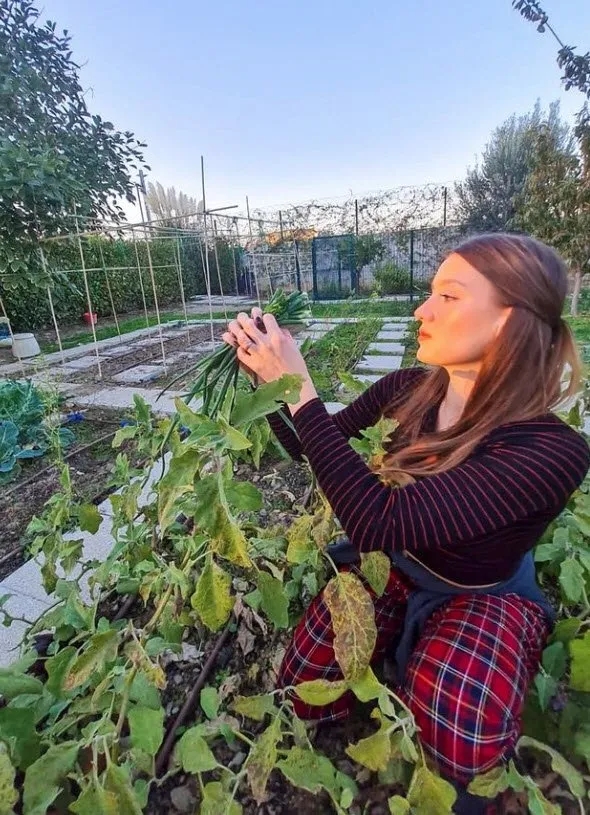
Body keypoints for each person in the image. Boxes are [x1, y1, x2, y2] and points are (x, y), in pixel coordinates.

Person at [222, 233, 590, 814]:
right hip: (396, 563)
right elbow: (304, 444)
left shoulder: (550, 450)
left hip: (482, 590)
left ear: (508, 321)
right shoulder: (407, 390)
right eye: (430, 293)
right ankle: (401, 650)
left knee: (459, 728)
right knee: (303, 685)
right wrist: (268, 379)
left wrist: (303, 389)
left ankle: (437, 670)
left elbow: (377, 519)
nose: (422, 310)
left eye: (448, 296)